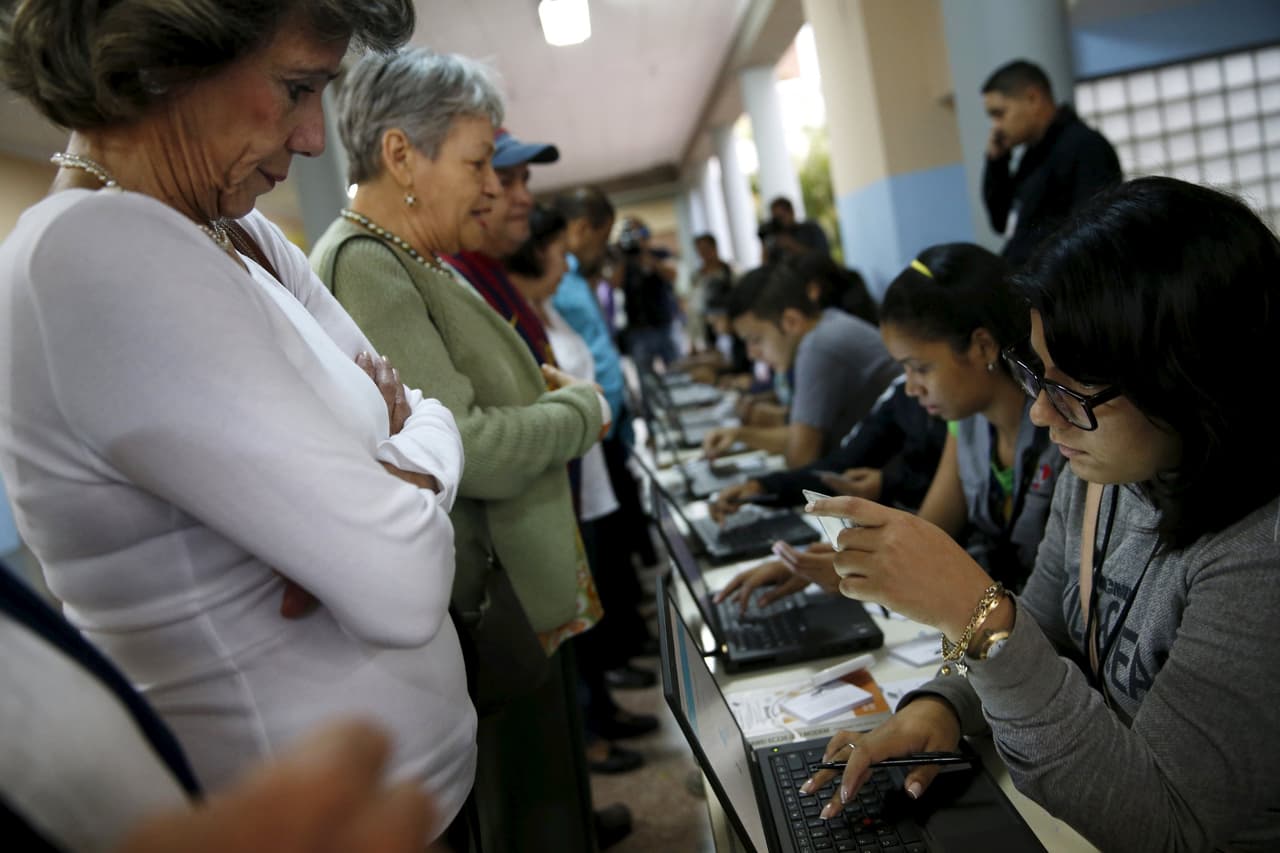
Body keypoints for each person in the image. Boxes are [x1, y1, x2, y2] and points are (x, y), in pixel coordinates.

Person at [0, 0, 481, 844]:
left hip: (399, 794)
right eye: (297, 88)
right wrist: (387, 479)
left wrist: (401, 465)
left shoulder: (236, 231)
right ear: (161, 61)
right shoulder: (94, 252)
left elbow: (420, 401)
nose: (312, 138)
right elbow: (403, 582)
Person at [805, 177, 1280, 851]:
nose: (1040, 411)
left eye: (1073, 390)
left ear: (1190, 377)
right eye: (1039, 375)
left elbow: (1171, 828)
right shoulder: (1109, 473)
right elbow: (1052, 623)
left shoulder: (1258, 551)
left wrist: (980, 616)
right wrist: (943, 703)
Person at [309, 48, 611, 853]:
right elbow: (467, 444)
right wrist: (582, 410)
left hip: (511, 594)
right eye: (478, 161)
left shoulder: (417, 258)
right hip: (484, 607)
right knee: (527, 814)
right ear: (401, 152)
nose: (491, 185)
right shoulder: (366, 264)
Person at [716, 243, 1055, 611]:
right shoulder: (967, 422)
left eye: (920, 368)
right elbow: (930, 535)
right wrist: (838, 562)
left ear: (983, 347)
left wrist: (861, 569)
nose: (909, 387)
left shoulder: (1059, 431)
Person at [506, 204, 657, 776]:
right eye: (553, 251)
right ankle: (592, 727)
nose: (564, 260)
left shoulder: (548, 308)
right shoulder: (522, 318)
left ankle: (604, 711)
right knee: (580, 610)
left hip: (590, 473)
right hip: (569, 478)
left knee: (597, 597)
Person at [702, 262, 900, 468]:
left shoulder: (818, 347)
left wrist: (745, 435)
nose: (751, 354)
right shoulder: (828, 322)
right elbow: (801, 433)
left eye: (756, 339)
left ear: (791, 321)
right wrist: (739, 434)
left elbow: (800, 458)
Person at [981, 59, 1122, 267]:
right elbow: (1001, 221)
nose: (996, 127)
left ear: (1033, 98)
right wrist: (997, 162)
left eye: (999, 114)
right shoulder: (1033, 153)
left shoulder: (1084, 146)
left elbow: (1093, 233)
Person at [617, 217, 680, 372]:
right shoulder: (624, 260)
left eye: (638, 233)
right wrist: (622, 257)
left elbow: (672, 275)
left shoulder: (659, 253)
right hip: (637, 328)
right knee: (645, 375)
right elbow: (614, 284)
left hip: (663, 323)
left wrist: (646, 254)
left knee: (676, 368)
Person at [760, 196, 830, 263]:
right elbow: (766, 266)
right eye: (775, 219)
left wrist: (792, 245)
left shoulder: (811, 229)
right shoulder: (775, 238)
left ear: (791, 212)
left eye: (781, 217)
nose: (779, 222)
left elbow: (823, 257)